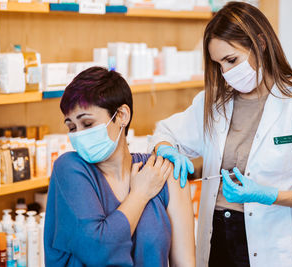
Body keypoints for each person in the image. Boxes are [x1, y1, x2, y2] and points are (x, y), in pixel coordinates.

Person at [149, 2, 292, 267]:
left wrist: (269, 194)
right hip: (216, 235)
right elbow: (165, 132)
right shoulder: (213, 103)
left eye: (232, 60)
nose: (226, 74)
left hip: (273, 243)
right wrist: (165, 147)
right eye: (219, 65)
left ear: (260, 43)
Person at [44, 67, 195, 267]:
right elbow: (98, 251)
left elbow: (185, 264)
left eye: (87, 124)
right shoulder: (70, 169)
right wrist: (140, 194)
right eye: (72, 127)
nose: (78, 135)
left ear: (122, 115)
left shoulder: (161, 172)